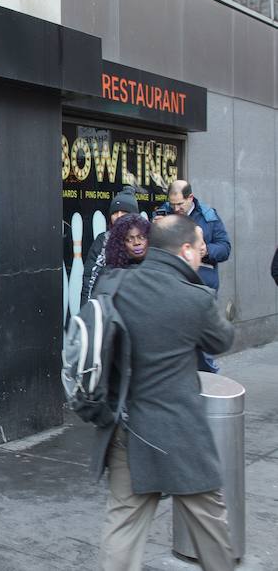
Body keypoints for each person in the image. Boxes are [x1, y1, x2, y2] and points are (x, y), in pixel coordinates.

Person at [93, 215, 235, 570]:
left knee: (123, 526)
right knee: (208, 521)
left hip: (126, 427)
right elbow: (221, 340)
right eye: (199, 247)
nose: (203, 253)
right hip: (179, 430)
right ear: (185, 250)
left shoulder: (115, 285)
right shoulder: (194, 298)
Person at [159, 180, 231, 373]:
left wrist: (207, 250)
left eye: (180, 204)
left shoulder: (209, 216)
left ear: (190, 198)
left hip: (202, 285)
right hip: (172, 285)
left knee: (202, 345)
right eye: (172, 204)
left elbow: (225, 248)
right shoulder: (162, 214)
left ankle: (210, 384)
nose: (176, 208)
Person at [81, 186, 138, 305]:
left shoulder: (142, 241)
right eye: (115, 212)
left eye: (124, 212)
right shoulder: (103, 240)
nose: (118, 216)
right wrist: (87, 308)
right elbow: (90, 278)